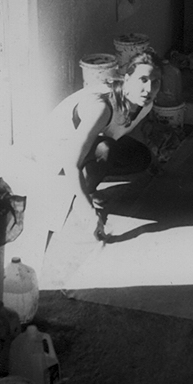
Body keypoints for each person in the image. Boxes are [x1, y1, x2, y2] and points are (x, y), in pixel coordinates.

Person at [45, 50, 163, 241]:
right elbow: (70, 162)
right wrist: (88, 212)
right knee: (105, 150)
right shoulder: (101, 107)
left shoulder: (145, 102)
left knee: (142, 158)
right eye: (143, 79)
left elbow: (128, 127)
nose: (149, 89)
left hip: (87, 142)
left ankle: (87, 180)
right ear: (127, 79)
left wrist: (154, 160)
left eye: (155, 81)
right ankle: (81, 196)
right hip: (53, 152)